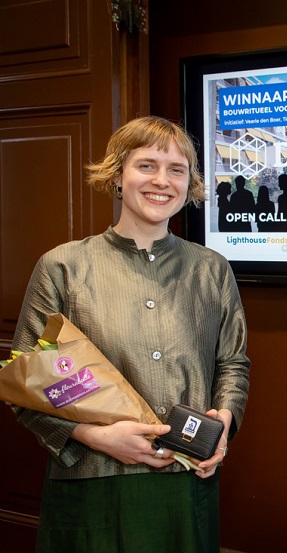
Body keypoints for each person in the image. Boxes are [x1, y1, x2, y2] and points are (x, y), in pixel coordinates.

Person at [10, 115, 251, 552]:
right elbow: (23, 385)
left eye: (176, 169)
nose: (162, 181)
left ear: (190, 183)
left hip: (185, 478)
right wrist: (92, 436)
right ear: (118, 174)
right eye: (146, 165)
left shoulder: (212, 269)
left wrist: (224, 420)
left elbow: (232, 364)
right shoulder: (62, 267)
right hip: (92, 480)